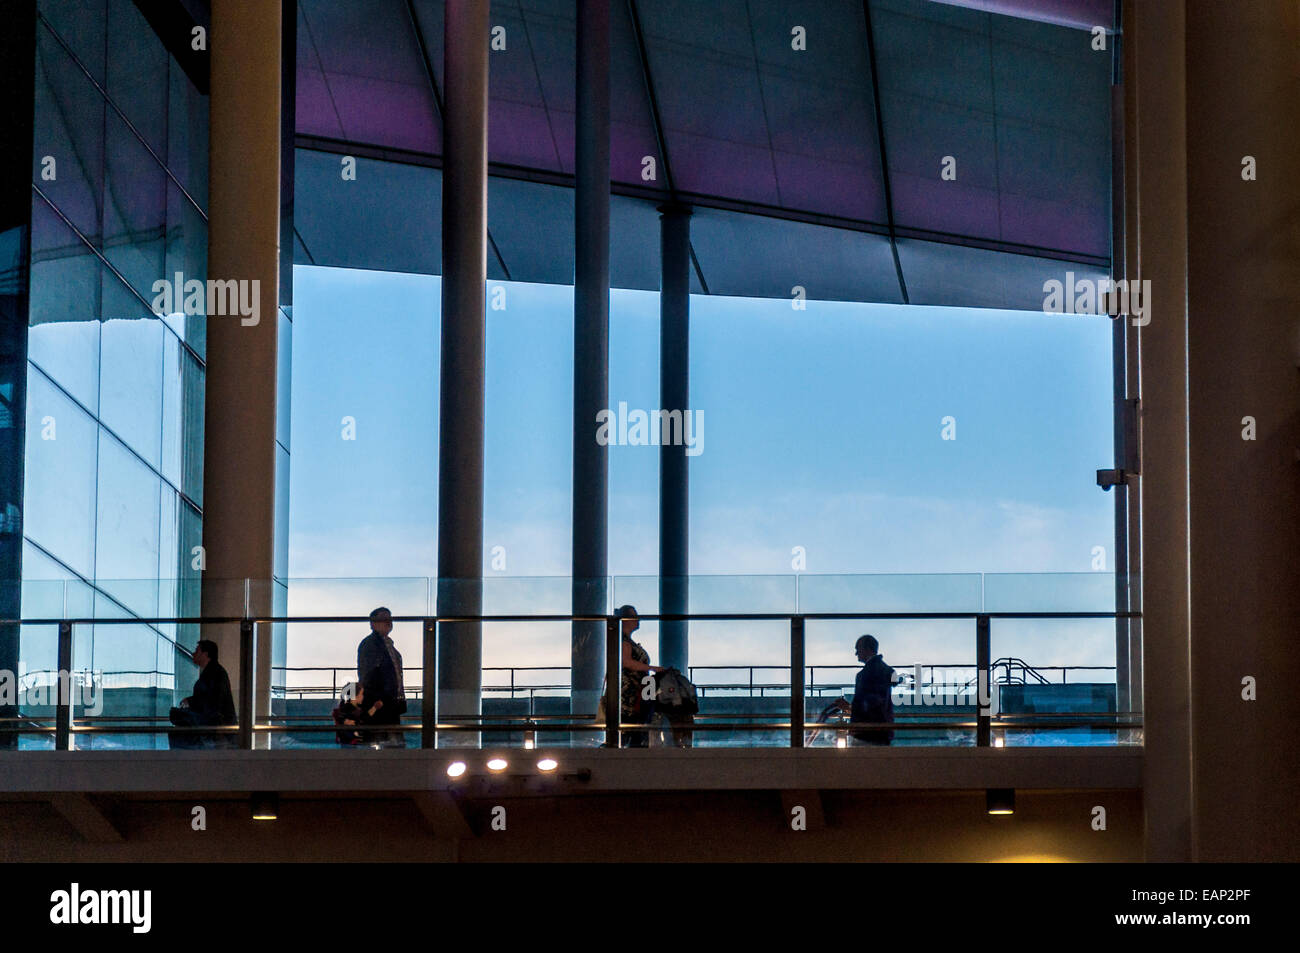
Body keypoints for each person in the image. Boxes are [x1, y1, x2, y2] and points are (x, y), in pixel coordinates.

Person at [611, 605, 664, 748]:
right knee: (632, 727)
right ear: (626, 619)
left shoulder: (625, 639)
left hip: (635, 692)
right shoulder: (623, 640)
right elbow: (626, 662)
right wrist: (653, 668)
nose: (638, 619)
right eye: (634, 616)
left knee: (635, 727)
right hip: (630, 694)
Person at [170, 639, 237, 749]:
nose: (193, 653)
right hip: (218, 731)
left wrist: (191, 701)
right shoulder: (215, 671)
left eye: (197, 651)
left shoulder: (213, 673)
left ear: (205, 654)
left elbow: (211, 700)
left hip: (215, 732)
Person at [357, 607, 407, 748]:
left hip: (387, 703)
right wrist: (379, 699)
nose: (388, 621)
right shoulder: (371, 645)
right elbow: (367, 674)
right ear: (373, 623)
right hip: (382, 704)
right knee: (386, 744)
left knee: (390, 744)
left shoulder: (385, 644)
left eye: (389, 618)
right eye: (384, 618)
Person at [834, 634, 895, 745]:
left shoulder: (866, 674)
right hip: (881, 733)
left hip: (866, 735)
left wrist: (849, 708)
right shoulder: (883, 671)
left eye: (858, 649)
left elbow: (868, 706)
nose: (856, 653)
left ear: (867, 649)